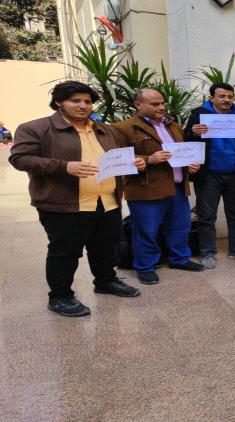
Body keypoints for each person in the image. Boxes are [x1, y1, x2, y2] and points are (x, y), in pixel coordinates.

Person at [9, 81, 141, 317]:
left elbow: (115, 157)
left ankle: (105, 281)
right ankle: (60, 296)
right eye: (76, 100)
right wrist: (64, 166)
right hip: (64, 204)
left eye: (88, 101)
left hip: (107, 201)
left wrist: (133, 162)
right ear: (59, 102)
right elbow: (20, 158)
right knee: (65, 252)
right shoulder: (36, 128)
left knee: (105, 246)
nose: (83, 105)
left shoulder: (104, 129)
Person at [112, 88, 204, 285]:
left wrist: (189, 163)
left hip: (177, 187)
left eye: (162, 103)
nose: (161, 107)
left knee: (180, 226)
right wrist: (148, 159)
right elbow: (115, 159)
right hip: (146, 189)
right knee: (146, 230)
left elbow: (180, 153)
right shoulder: (123, 128)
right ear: (138, 105)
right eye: (155, 104)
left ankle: (180, 259)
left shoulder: (174, 126)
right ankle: (145, 266)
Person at [183, 83, 235, 269]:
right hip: (208, 175)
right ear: (211, 98)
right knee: (206, 216)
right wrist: (193, 133)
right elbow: (185, 141)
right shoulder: (198, 115)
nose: (226, 100)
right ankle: (208, 252)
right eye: (222, 96)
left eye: (230, 97)